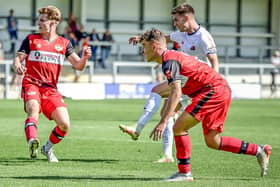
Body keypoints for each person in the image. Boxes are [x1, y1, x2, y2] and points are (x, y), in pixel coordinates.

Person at [139, 28, 272, 181]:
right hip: (220, 90)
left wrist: (163, 121)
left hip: (213, 91)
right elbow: (177, 90)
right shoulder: (171, 57)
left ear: (154, 47)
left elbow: (176, 93)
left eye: (144, 46)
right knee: (212, 141)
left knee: (179, 127)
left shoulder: (169, 61)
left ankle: (184, 173)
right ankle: (259, 150)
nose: (143, 51)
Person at [119, 3, 219, 163]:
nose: (175, 23)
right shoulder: (181, 34)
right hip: (185, 78)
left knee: (158, 92)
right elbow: (162, 39)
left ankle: (137, 129)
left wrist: (213, 85)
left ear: (187, 17)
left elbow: (214, 62)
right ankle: (167, 155)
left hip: (199, 80)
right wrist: (140, 39)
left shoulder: (203, 37)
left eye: (176, 20)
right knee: (167, 113)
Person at [13, 6, 91, 162]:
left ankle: (47, 148)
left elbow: (78, 66)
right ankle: (32, 141)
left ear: (54, 22)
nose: (38, 23)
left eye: (42, 20)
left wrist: (85, 57)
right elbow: (18, 58)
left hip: (51, 89)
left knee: (65, 124)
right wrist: (17, 65)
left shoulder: (64, 43)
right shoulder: (31, 39)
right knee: (33, 109)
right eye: (39, 20)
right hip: (32, 83)